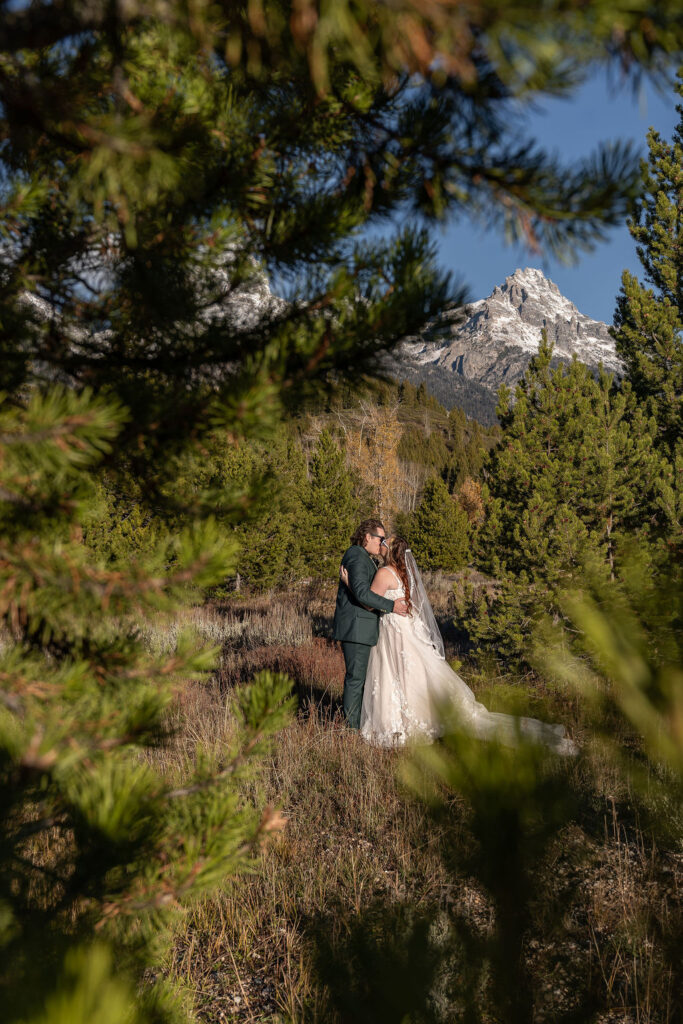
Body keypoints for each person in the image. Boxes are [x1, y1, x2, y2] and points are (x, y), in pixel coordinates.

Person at [341, 536, 577, 754]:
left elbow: (369, 603)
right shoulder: (404, 573)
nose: (381, 543)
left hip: (394, 630)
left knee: (396, 675)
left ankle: (404, 722)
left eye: (385, 542)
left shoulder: (384, 573)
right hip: (405, 628)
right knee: (410, 675)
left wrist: (350, 583)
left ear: (390, 551)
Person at [333, 519, 409, 729]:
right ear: (368, 537)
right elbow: (362, 592)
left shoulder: (365, 558)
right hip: (356, 628)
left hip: (363, 627)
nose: (382, 543)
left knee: (361, 680)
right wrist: (391, 606)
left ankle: (359, 723)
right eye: (380, 538)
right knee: (356, 680)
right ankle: (352, 729)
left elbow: (359, 590)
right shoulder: (356, 555)